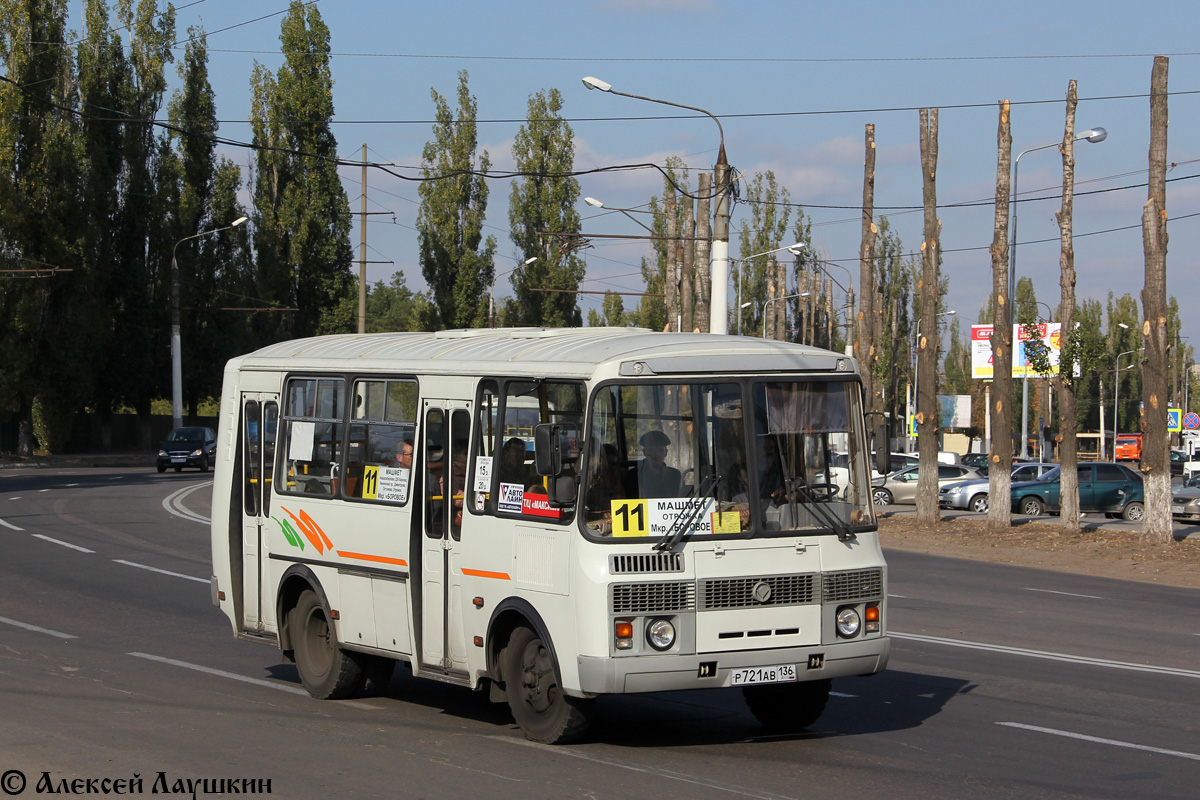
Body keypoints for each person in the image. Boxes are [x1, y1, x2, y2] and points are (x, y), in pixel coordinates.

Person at [638, 430, 682, 498]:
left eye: (660, 450)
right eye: (651, 450)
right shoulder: (635, 475)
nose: (656, 454)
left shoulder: (675, 475)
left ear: (666, 452)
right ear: (644, 452)